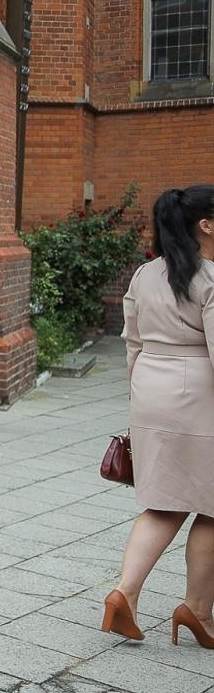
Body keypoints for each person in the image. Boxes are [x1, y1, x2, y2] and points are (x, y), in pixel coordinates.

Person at [103, 184, 214, 649]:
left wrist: (138, 398)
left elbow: (132, 342)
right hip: (198, 391)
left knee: (164, 501)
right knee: (211, 506)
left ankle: (124, 592)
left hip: (149, 386)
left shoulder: (145, 274)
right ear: (206, 224)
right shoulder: (210, 277)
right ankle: (198, 610)